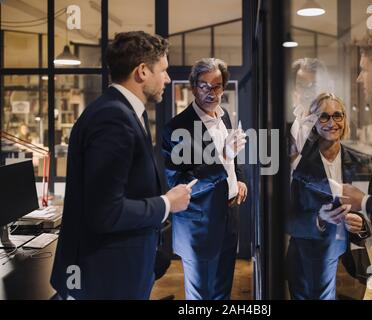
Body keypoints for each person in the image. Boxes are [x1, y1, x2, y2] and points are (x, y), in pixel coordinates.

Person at [50, 31, 191, 300]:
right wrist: (167, 203)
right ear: (142, 72)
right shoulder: (114, 117)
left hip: (120, 271)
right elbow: (105, 211)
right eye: (163, 70)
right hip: (106, 278)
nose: (168, 78)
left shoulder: (122, 112)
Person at [162, 58, 247, 300]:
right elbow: (179, 183)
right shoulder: (176, 128)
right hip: (198, 226)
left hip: (229, 216)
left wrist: (239, 179)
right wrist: (222, 157)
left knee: (222, 293)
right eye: (204, 86)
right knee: (200, 297)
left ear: (224, 87)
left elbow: (233, 160)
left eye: (217, 85)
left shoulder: (225, 117)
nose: (211, 92)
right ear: (193, 87)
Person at [286, 92, 372, 300]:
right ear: (313, 122)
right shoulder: (297, 165)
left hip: (350, 264)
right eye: (323, 116)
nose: (332, 122)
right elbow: (285, 220)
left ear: (344, 120)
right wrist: (318, 219)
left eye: (338, 115)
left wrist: (361, 223)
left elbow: (371, 216)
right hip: (306, 265)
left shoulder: (360, 163)